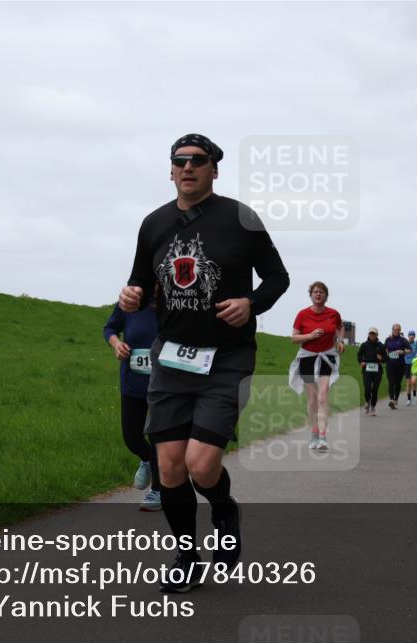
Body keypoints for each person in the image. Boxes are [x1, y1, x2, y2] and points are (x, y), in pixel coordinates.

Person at [120, 133, 290, 593]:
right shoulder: (153, 224)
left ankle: (224, 507)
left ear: (215, 169)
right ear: (171, 170)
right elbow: (138, 282)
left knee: (200, 464)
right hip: (172, 358)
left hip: (227, 357)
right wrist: (130, 295)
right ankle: (187, 557)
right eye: (180, 161)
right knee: (169, 467)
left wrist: (251, 303)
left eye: (199, 160)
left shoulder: (241, 219)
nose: (188, 167)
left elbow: (278, 277)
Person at [103, 295, 162, 511]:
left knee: (157, 437)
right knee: (131, 436)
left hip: (164, 387)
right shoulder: (129, 303)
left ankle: (158, 490)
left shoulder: (175, 306)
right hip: (132, 383)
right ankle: (146, 460)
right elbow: (109, 329)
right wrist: (116, 344)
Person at [289, 281, 344, 452]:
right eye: (315, 292)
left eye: (321, 292)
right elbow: (293, 338)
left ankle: (322, 437)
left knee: (322, 398)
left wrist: (340, 340)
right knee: (312, 400)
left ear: (326, 295)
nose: (318, 294)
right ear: (311, 295)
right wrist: (310, 335)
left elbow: (340, 328)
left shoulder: (333, 314)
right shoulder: (302, 314)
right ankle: (313, 434)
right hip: (307, 358)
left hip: (326, 357)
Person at [357, 327, 386, 416]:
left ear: (377, 335)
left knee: (375, 390)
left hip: (377, 371)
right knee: (367, 389)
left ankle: (373, 407)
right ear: (368, 334)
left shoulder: (381, 345)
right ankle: (367, 401)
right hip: (367, 370)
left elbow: (385, 358)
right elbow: (359, 355)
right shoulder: (364, 345)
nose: (372, 335)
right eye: (371, 334)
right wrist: (361, 361)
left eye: (374, 334)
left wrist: (381, 358)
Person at [384, 324, 410, 409]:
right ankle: (391, 400)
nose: (396, 331)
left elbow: (410, 349)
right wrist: (386, 353)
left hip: (400, 364)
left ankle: (396, 399)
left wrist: (403, 352)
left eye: (398, 330)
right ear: (392, 330)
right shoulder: (388, 339)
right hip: (390, 364)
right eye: (395, 330)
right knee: (391, 382)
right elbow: (384, 349)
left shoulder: (403, 340)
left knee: (398, 383)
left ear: (400, 331)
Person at [403, 330, 417, 405]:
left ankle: (415, 397)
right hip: (406, 364)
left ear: (414, 336)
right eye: (410, 335)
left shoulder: (416, 343)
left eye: (413, 335)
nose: (412, 336)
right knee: (408, 383)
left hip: (414, 364)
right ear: (408, 336)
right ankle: (409, 399)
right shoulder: (404, 343)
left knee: (414, 382)